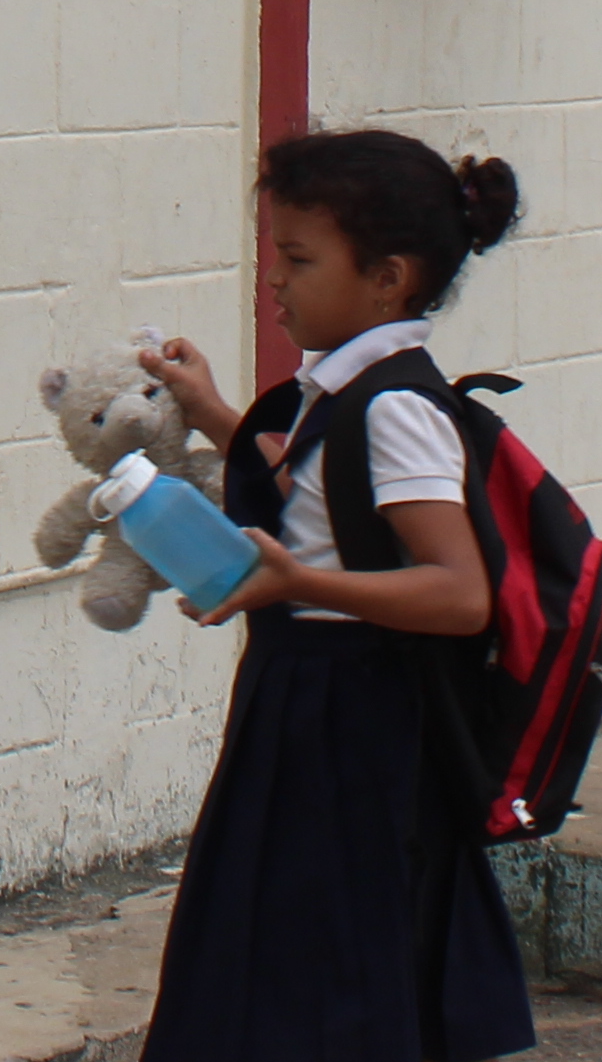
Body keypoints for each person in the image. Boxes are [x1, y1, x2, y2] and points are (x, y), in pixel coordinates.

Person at [128, 128, 536, 1062]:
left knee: (334, 968)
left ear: (388, 278)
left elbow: (460, 592)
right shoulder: (346, 389)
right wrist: (215, 414)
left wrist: (295, 581)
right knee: (276, 955)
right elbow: (314, 491)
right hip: (305, 710)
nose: (277, 281)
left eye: (300, 260)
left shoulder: (397, 408)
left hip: (359, 728)